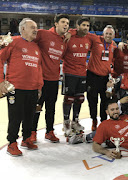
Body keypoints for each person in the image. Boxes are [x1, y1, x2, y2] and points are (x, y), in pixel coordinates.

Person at [0, 18, 43, 156]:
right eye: (32, 27)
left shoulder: (36, 47)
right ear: (23, 29)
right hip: (15, 88)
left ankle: (26, 139)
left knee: (29, 116)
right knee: (15, 117)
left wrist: (39, 86)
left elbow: (38, 68)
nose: (36, 30)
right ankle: (12, 143)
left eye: (36, 27)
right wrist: (1, 81)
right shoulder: (13, 41)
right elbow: (0, 59)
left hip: (32, 89)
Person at [31, 14, 70, 143]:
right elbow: (27, 38)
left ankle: (49, 131)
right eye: (63, 22)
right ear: (56, 23)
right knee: (36, 107)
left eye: (68, 23)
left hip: (54, 80)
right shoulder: (43, 34)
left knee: (51, 108)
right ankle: (32, 132)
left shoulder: (64, 41)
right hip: (40, 79)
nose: (66, 25)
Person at [61, 17, 95, 136]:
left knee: (79, 98)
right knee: (69, 98)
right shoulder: (69, 37)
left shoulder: (89, 38)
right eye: (84, 25)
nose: (86, 28)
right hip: (69, 72)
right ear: (77, 25)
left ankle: (75, 121)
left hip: (82, 73)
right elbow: (61, 54)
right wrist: (71, 32)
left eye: (88, 26)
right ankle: (66, 123)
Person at [85, 25, 117, 131]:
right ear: (103, 34)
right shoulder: (96, 40)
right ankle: (94, 120)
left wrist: (111, 78)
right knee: (92, 101)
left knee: (105, 101)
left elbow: (113, 64)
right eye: (106, 33)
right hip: (92, 76)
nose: (108, 35)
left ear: (114, 35)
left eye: (110, 34)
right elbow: (83, 32)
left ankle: (103, 122)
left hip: (105, 79)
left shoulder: (114, 47)